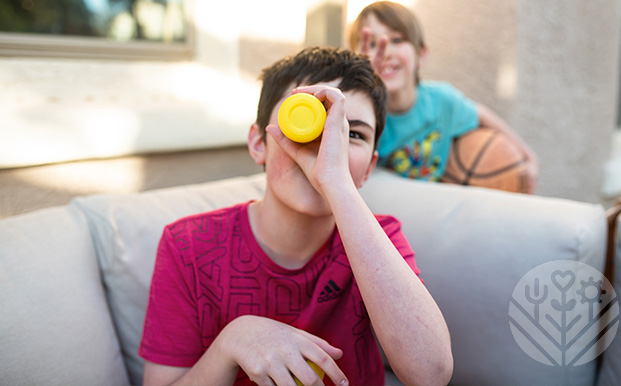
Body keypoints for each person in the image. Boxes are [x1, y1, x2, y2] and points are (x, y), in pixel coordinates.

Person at [138, 46, 452, 386]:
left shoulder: (381, 240)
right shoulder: (188, 247)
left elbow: (430, 374)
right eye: (305, 122)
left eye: (352, 134)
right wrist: (229, 344)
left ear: (369, 170)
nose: (325, 148)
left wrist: (337, 183)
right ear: (259, 143)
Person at [348, 1, 538, 193]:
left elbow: (481, 114)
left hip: (435, 205)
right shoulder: (362, 111)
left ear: (421, 54)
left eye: (396, 40)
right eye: (372, 44)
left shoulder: (441, 102)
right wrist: (361, 81)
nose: (385, 52)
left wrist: (528, 157)